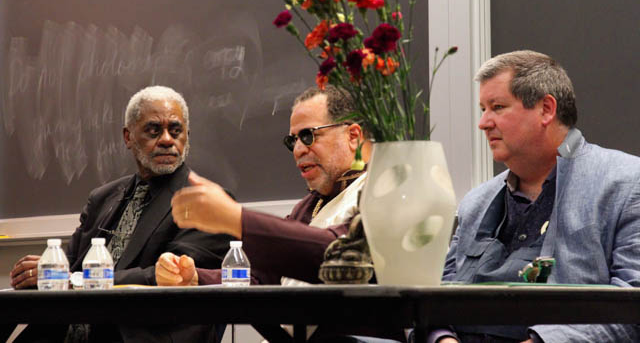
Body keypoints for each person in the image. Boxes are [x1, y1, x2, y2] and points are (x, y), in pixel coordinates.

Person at [156, 85, 402, 341]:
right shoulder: (307, 207)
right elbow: (261, 278)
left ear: (353, 136)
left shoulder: (384, 192)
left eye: (308, 135)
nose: (297, 150)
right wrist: (195, 277)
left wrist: (236, 218)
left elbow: (337, 255)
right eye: (292, 140)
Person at [433, 51, 640, 342]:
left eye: (497, 107)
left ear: (545, 109)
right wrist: (442, 338)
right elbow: (434, 297)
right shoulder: (475, 203)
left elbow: (632, 311)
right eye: (482, 109)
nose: (483, 123)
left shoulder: (627, 184)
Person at [9, 85, 231, 342]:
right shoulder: (103, 197)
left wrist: (77, 281)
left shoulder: (208, 202)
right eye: (153, 130)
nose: (167, 139)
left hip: (139, 332)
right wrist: (44, 270)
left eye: (176, 130)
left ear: (186, 137)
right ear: (128, 137)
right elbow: (70, 265)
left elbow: (171, 277)